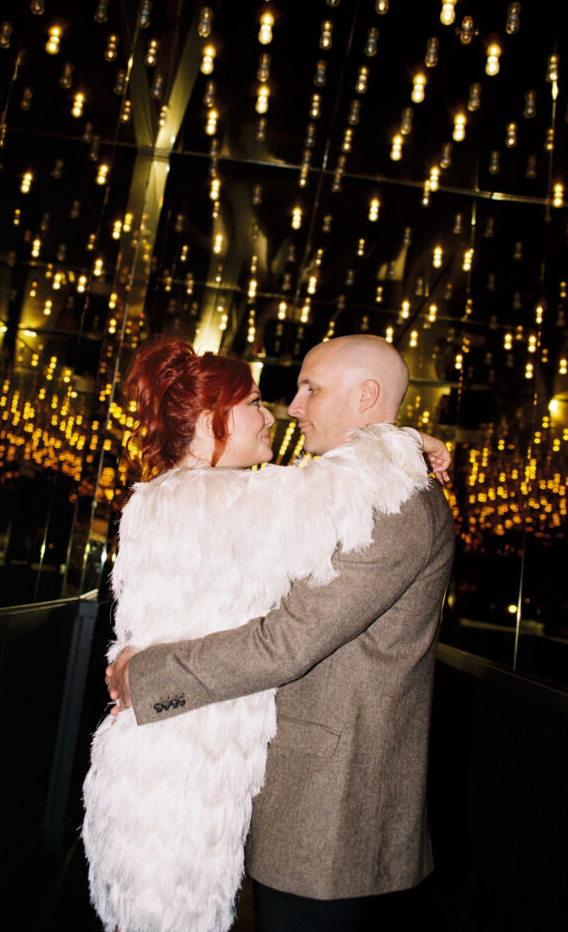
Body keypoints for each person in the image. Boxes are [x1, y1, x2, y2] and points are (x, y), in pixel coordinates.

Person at [83, 334, 449, 932]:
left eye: (310, 388)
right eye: (266, 398)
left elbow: (286, 640)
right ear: (208, 421)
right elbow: (302, 503)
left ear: (367, 396)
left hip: (327, 806)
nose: (291, 407)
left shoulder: (392, 502)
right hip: (204, 761)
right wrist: (403, 443)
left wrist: (401, 445)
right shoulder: (245, 498)